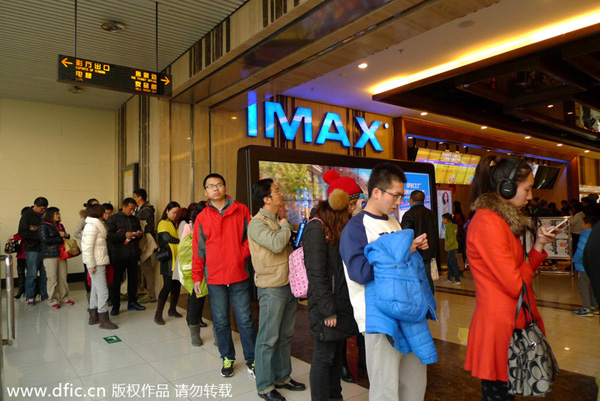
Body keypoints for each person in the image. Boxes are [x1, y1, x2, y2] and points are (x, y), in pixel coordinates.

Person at [464, 156, 558, 401]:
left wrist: (538, 245)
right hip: (501, 327)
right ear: (506, 187)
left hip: (508, 323)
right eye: (527, 189)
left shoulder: (498, 220)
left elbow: (518, 273)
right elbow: (516, 284)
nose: (530, 196)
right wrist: (525, 266)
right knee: (499, 395)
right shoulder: (488, 221)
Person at [340, 163, 432, 401]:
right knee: (385, 390)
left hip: (407, 311)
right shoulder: (356, 228)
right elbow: (360, 272)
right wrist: (402, 251)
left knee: (413, 385)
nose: (399, 202)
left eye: (402, 196)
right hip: (378, 318)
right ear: (376, 192)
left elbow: (400, 265)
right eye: (395, 195)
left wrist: (412, 249)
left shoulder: (393, 222)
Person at [192, 173, 256, 378]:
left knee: (245, 320)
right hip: (215, 278)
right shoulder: (202, 217)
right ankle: (227, 358)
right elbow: (198, 250)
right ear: (206, 192)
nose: (215, 188)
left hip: (239, 274)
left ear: (225, 187)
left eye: (219, 184)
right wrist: (196, 277)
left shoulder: (241, 209)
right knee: (220, 322)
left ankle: (252, 360)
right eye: (211, 186)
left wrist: (240, 254)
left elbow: (251, 237)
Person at [248, 178, 305, 401]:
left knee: (285, 335)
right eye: (277, 191)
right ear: (266, 199)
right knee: (268, 338)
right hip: (271, 287)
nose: (281, 193)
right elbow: (276, 243)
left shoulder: (276, 220)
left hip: (288, 283)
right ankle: (264, 386)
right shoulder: (257, 223)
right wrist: (285, 225)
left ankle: (283, 377)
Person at [303, 177, 359, 401]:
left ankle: (336, 397)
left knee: (336, 356)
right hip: (327, 306)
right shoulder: (317, 228)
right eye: (352, 204)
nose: (354, 208)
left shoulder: (340, 226)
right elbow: (316, 274)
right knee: (323, 358)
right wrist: (327, 310)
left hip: (342, 303)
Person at [106, 197, 146, 315]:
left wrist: (139, 234)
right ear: (123, 207)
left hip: (133, 254)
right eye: (130, 209)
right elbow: (110, 236)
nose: (132, 211)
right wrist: (124, 235)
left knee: (133, 280)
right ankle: (115, 305)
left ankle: (132, 302)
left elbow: (139, 232)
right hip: (118, 255)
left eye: (134, 209)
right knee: (116, 281)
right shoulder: (113, 219)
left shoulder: (135, 219)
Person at [81, 204, 118, 329]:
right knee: (103, 291)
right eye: (104, 212)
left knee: (95, 290)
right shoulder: (92, 226)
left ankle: (93, 317)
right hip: (96, 263)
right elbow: (87, 248)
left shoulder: (95, 225)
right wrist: (91, 265)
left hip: (98, 261)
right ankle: (103, 319)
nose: (106, 214)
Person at [179, 202, 208, 346]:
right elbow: (185, 249)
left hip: (213, 268)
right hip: (196, 267)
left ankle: (218, 335)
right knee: (196, 299)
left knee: (217, 303)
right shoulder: (189, 227)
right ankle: (194, 332)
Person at [401, 190, 438, 293]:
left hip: (415, 252)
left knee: (417, 279)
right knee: (427, 276)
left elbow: (405, 235)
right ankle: (430, 297)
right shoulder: (431, 214)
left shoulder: (409, 214)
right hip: (429, 252)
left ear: (411, 200)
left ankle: (424, 299)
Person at [39, 207, 74, 308]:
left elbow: (66, 237)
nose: (58, 215)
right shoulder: (43, 226)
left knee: (63, 277)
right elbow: (45, 240)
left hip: (62, 254)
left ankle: (64, 297)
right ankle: (52, 299)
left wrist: (65, 235)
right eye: (55, 214)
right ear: (50, 215)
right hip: (50, 255)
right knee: (52, 278)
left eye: (58, 213)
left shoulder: (60, 225)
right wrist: (59, 237)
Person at [154, 201, 183, 325]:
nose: (175, 215)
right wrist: (181, 240)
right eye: (173, 212)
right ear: (167, 211)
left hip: (177, 258)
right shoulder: (163, 223)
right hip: (168, 259)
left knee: (176, 285)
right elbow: (167, 238)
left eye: (177, 213)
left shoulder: (175, 223)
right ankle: (158, 314)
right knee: (167, 286)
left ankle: (172, 309)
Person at [18, 197, 49, 306]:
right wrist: (40, 235)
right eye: (41, 208)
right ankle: (30, 297)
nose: (43, 211)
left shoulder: (46, 215)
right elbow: (22, 232)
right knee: (32, 274)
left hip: (45, 248)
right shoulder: (27, 215)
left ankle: (45, 295)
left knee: (45, 273)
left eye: (45, 209)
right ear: (35, 205)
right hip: (32, 249)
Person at [572, 215, 599, 316]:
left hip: (583, 266)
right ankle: (594, 306)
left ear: (587, 224)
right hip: (593, 266)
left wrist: (575, 260)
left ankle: (586, 308)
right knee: (592, 286)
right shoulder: (595, 234)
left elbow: (581, 250)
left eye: (582, 223)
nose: (581, 225)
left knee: (583, 287)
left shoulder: (584, 234)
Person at [134, 188, 157, 304]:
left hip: (145, 241)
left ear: (140, 197)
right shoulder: (142, 209)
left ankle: (151, 293)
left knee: (146, 267)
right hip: (142, 240)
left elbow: (143, 226)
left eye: (135, 197)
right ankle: (141, 290)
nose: (134, 199)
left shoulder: (145, 210)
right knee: (143, 267)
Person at [73, 198, 99, 294]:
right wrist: (86, 238)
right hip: (88, 246)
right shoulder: (84, 218)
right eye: (94, 205)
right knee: (88, 269)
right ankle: (89, 290)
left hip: (98, 248)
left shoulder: (99, 218)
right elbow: (76, 233)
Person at [442, 213, 460, 286]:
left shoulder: (449, 227)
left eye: (444, 219)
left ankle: (457, 280)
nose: (443, 220)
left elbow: (451, 238)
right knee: (450, 264)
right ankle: (449, 279)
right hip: (454, 247)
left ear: (448, 220)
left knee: (453, 264)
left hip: (451, 248)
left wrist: (447, 244)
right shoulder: (453, 226)